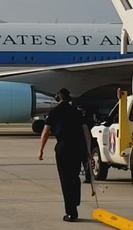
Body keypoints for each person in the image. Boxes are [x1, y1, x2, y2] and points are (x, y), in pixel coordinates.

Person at [38, 88, 92, 222]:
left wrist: (41, 150)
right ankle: (75, 202)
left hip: (63, 148)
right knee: (74, 177)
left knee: (65, 179)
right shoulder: (77, 112)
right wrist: (88, 150)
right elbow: (86, 132)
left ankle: (71, 211)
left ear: (58, 98)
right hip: (78, 148)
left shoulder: (54, 112)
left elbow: (45, 133)